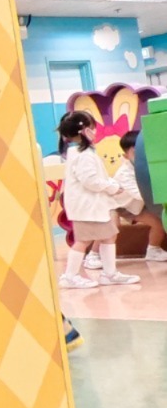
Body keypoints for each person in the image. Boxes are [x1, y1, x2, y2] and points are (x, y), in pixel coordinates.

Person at [57, 110, 137, 289]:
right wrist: (112, 187)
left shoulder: (81, 153)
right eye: (92, 128)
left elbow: (94, 178)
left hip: (92, 207)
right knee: (84, 240)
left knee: (109, 235)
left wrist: (111, 184)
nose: (95, 131)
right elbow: (90, 181)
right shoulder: (83, 155)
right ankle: (70, 276)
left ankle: (109, 273)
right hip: (87, 208)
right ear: (85, 131)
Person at [84, 130, 166, 268]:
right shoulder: (124, 174)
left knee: (158, 222)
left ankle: (153, 250)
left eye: (144, 153)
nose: (141, 157)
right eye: (135, 154)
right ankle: (93, 255)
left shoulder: (149, 167)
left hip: (133, 206)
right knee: (111, 227)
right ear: (125, 156)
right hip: (114, 203)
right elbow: (141, 194)